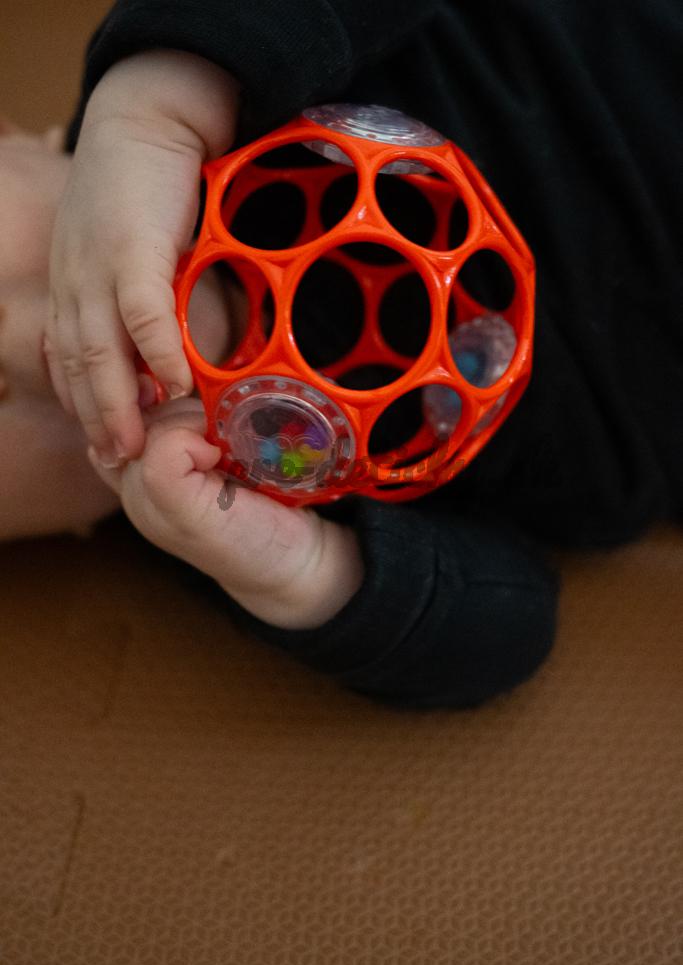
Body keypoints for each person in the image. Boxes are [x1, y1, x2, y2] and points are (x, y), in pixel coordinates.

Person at [41, 2, 683, 705]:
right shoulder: (203, 513)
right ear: (62, 527)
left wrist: (156, 103)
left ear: (20, 142)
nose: (37, 350)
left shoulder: (225, 70)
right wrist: (308, 570)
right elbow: (512, 626)